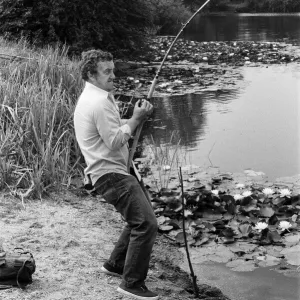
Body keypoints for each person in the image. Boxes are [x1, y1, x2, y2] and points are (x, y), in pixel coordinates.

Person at [74, 49, 159, 300]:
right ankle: (131, 283)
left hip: (111, 172)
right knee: (146, 223)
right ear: (91, 74)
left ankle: (115, 264)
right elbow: (114, 140)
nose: (114, 74)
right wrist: (135, 119)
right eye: (107, 71)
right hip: (110, 175)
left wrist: (134, 118)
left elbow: (109, 128)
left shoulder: (96, 97)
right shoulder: (99, 102)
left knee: (140, 217)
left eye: (113, 69)